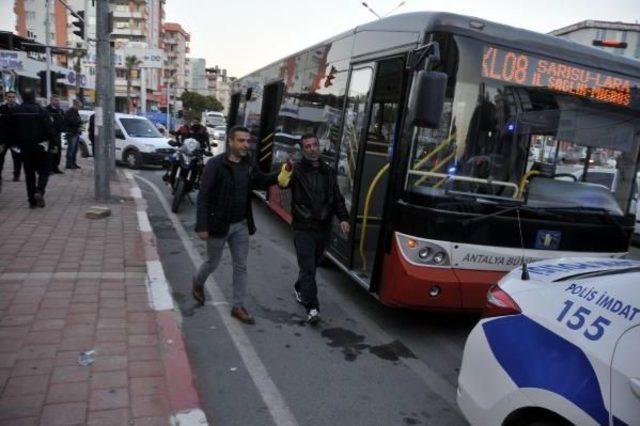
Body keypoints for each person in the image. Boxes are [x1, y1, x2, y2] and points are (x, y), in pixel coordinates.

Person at [192, 125, 278, 324]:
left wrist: (283, 173)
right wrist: (201, 225)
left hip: (240, 225)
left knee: (241, 266)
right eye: (241, 141)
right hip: (217, 225)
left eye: (248, 141)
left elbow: (261, 181)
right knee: (212, 262)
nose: (245, 145)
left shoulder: (248, 164)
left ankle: (238, 306)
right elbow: (203, 197)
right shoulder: (215, 165)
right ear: (230, 142)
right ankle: (197, 282)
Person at [277, 133, 349, 324]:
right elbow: (282, 183)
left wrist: (343, 218)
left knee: (313, 264)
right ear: (303, 150)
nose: (311, 148)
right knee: (308, 268)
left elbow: (337, 197)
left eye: (314, 145)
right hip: (303, 227)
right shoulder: (296, 169)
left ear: (319, 146)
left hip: (323, 227)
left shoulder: (328, 171)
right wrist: (287, 168)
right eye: (307, 146)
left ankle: (300, 287)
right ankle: (312, 308)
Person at [13, 88, 54, 209]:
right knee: (44, 171)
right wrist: (53, 143)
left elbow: (11, 130)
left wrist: (14, 145)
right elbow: (49, 129)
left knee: (29, 174)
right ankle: (39, 191)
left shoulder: (16, 111)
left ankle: (32, 201)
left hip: (24, 148)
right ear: (34, 96)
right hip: (40, 147)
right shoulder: (41, 111)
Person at [0, 90, 23, 185]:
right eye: (9, 97)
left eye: (13, 97)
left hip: (15, 140)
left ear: (16, 98)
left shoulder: (20, 109)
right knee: (0, 158)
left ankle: (16, 175)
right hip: (3, 139)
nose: (11, 99)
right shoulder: (1, 108)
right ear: (6, 98)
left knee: (17, 158)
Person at [45, 94, 65, 174]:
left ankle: (55, 167)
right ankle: (49, 168)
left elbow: (63, 121)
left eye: (58, 100)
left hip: (58, 135)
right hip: (50, 135)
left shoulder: (60, 110)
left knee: (57, 152)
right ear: (51, 101)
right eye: (55, 100)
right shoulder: (47, 110)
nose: (57, 102)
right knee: (50, 153)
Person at [64, 99, 83, 169]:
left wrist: (80, 125)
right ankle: (69, 164)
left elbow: (78, 121)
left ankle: (73, 163)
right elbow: (71, 122)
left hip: (76, 133)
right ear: (75, 105)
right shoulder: (69, 112)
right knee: (71, 149)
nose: (79, 108)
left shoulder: (76, 112)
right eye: (79, 106)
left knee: (75, 150)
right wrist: (78, 122)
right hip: (71, 133)